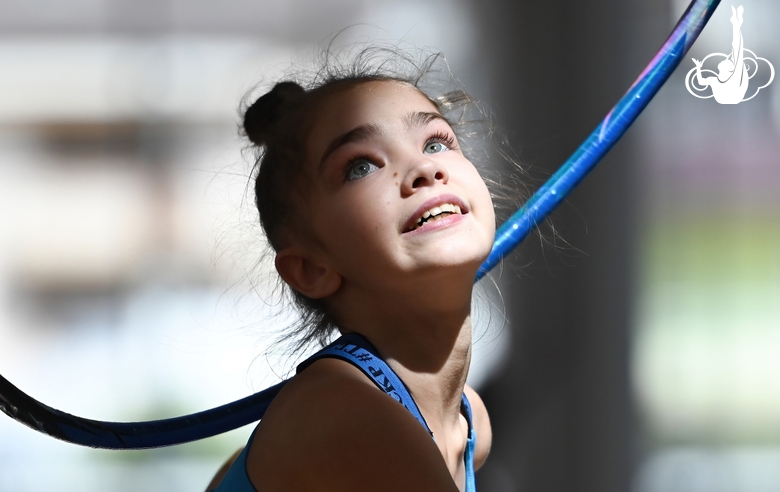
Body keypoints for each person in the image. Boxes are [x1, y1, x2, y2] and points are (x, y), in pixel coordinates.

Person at [206, 49, 497, 492]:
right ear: (310, 268)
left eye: (436, 143)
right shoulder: (346, 414)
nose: (424, 169)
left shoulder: (469, 424)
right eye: (361, 166)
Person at [692, 5, 748, 104]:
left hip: (730, 99)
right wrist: (736, 25)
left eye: (727, 62)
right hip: (729, 99)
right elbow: (737, 50)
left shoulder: (732, 79)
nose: (725, 59)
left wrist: (698, 67)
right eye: (729, 61)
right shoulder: (720, 80)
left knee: (737, 50)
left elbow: (737, 48)